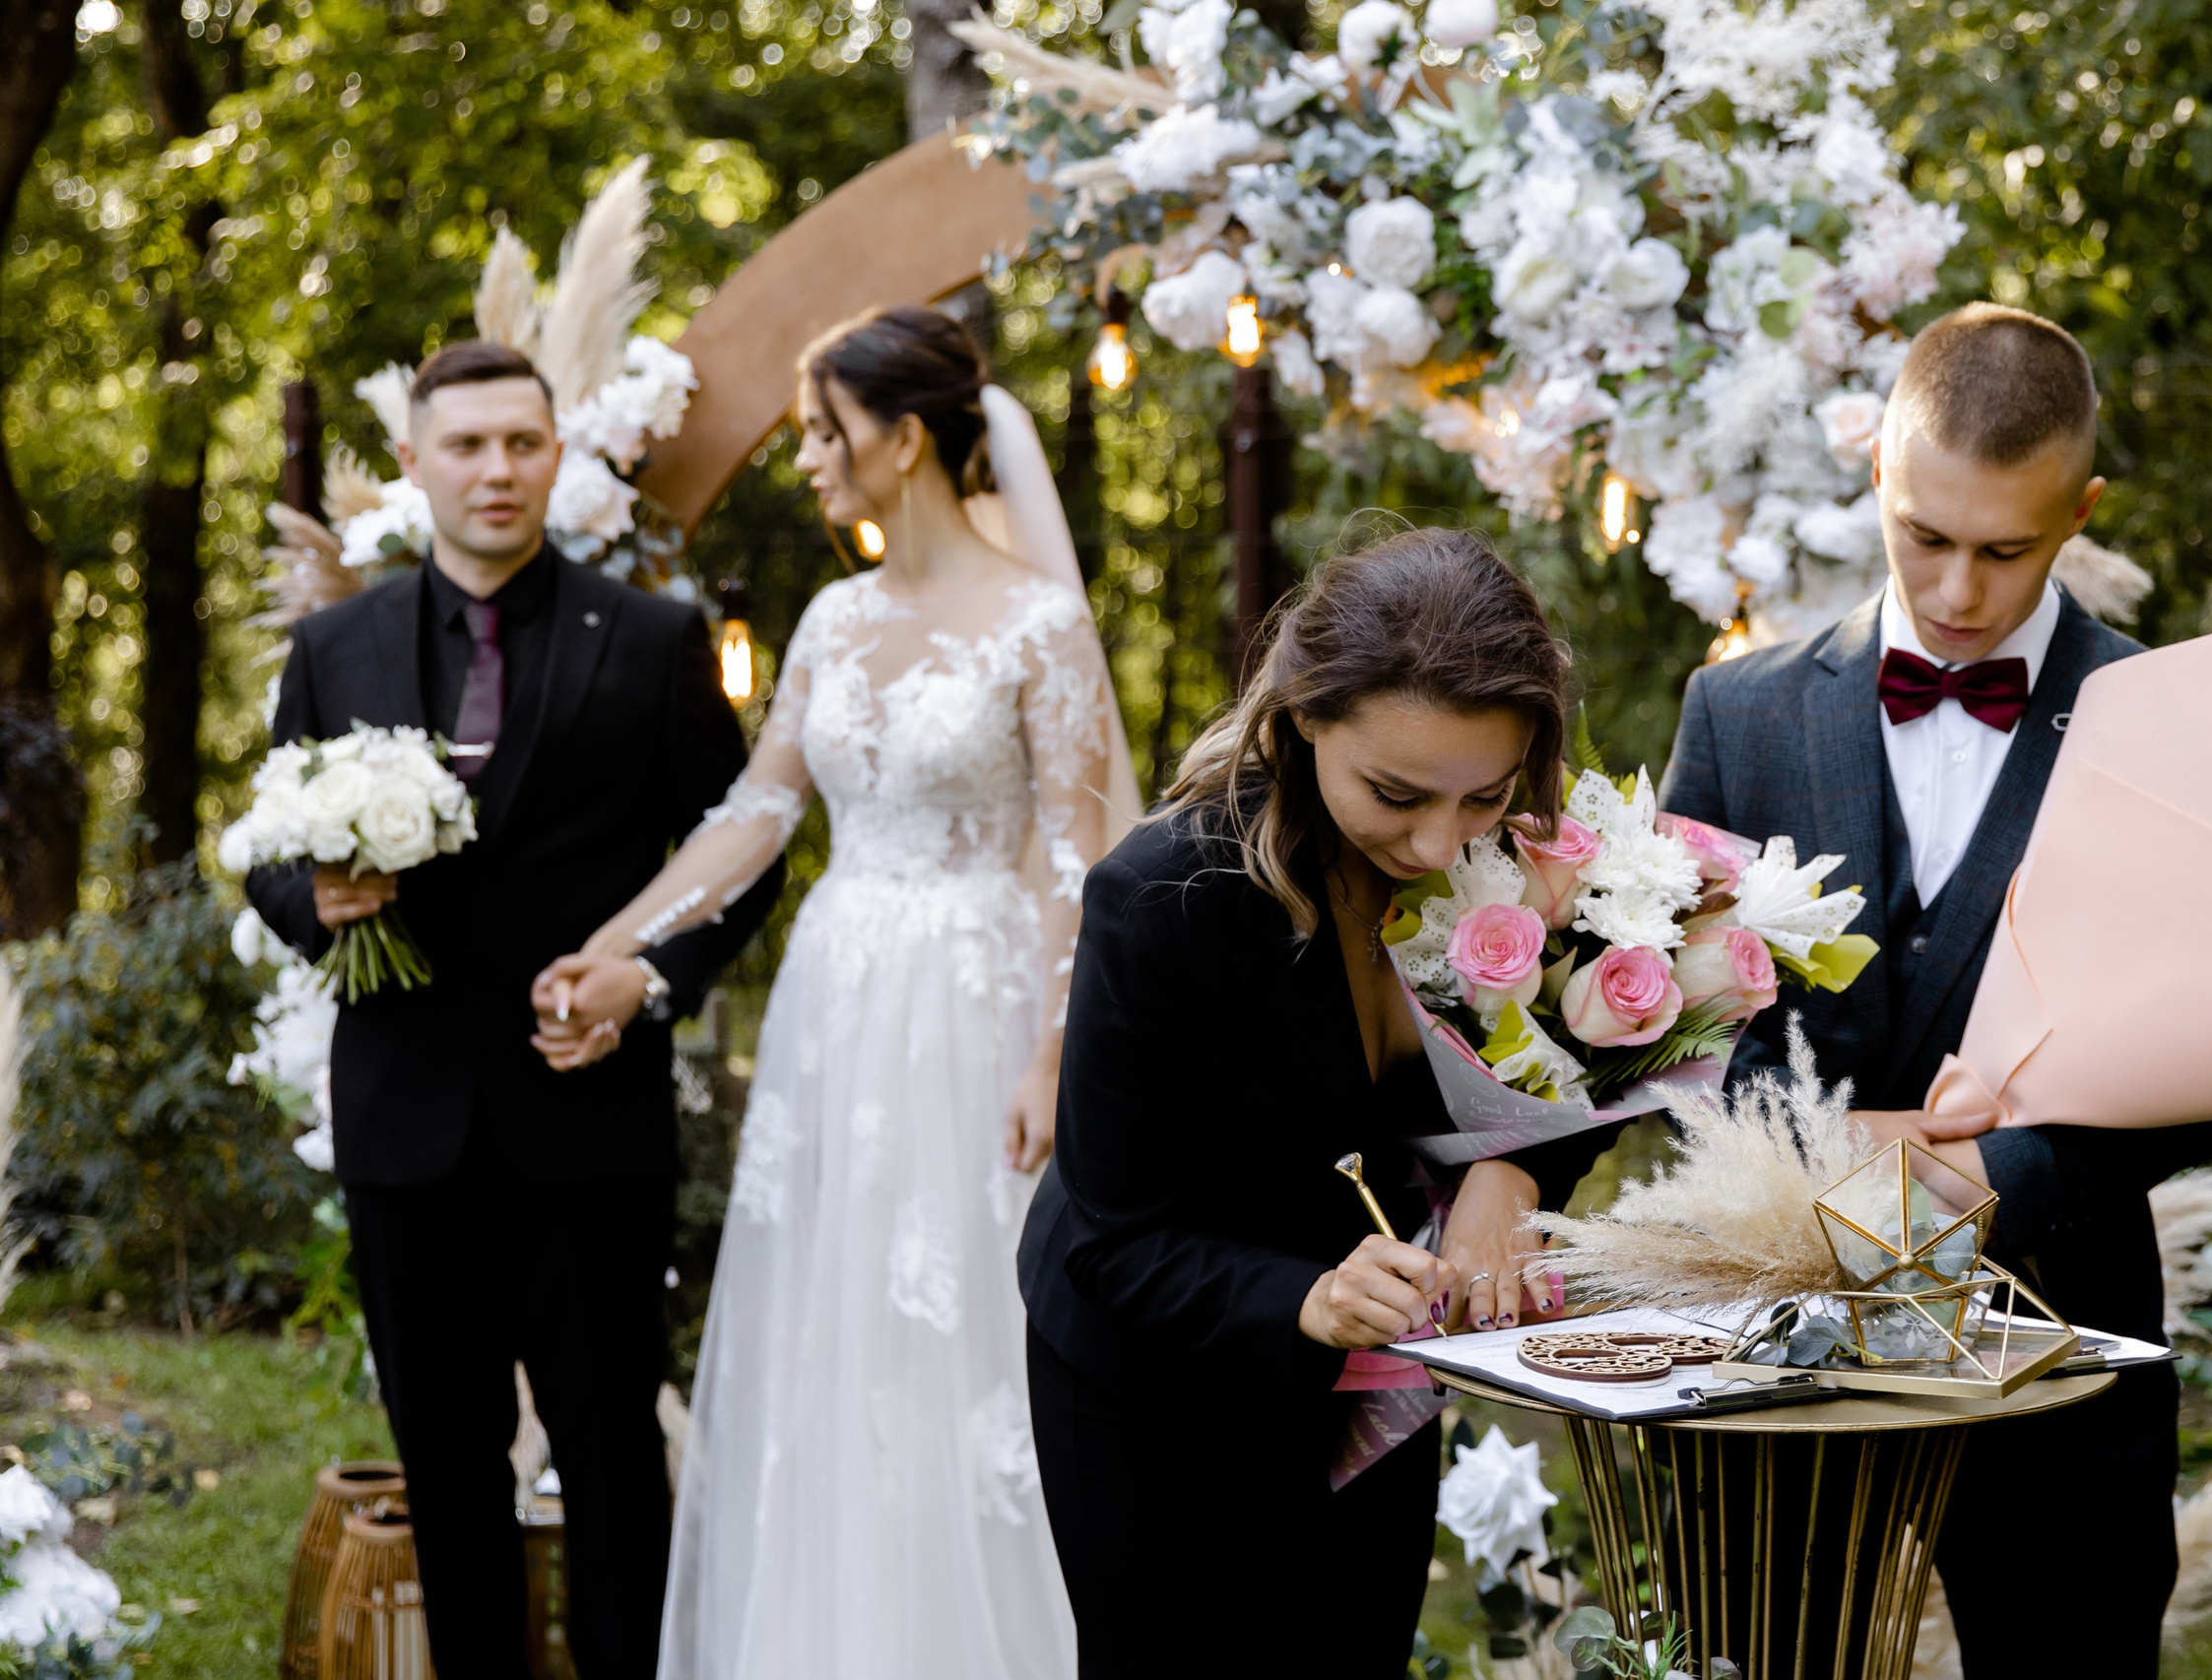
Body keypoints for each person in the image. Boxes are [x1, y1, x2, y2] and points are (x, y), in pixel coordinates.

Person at [535, 306, 1137, 1678]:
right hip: (838, 1007)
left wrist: (1051, 1054)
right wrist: (616, 939)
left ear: (901, 438)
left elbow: (1074, 856)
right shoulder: (834, 615)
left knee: (964, 1318)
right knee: (835, 1316)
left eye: (823, 431)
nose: (806, 457)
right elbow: (758, 812)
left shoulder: (1038, 623)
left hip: (977, 1004)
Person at [1659, 302, 2212, 1674]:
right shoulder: (1736, 712)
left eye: (2006, 549)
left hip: (2060, 1348)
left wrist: (1995, 1173)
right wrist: (1810, 1147)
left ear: (2080, 511)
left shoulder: (2168, 723)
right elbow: (1670, 1027)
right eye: (1924, 535)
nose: (1959, 589)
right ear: (1877, 472)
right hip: (1776, 1350)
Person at [245, 340, 782, 1679]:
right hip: (403, 1118)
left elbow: (739, 858)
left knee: (612, 1458)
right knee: (445, 1458)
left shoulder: (653, 638)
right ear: (416, 462)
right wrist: (318, 898)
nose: (497, 469)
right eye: (468, 445)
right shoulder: (332, 645)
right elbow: (264, 850)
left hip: (589, 1118)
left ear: (557, 456)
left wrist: (650, 978)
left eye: (521, 443)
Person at [1021, 530, 1627, 1679]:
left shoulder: (1533, 863)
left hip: (1383, 1373)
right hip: (1163, 1384)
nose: (1439, 841)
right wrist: (1305, 1295)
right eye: (1394, 794)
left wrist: (1513, 1172)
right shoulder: (1161, 900)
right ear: (1305, 714)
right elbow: (1113, 1242)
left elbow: (1607, 1058)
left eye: (1484, 793)